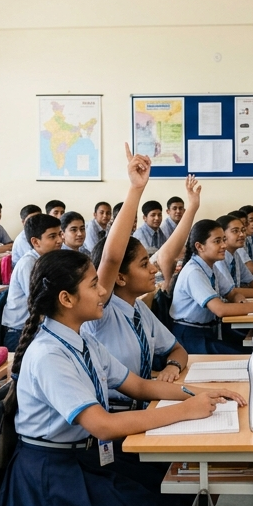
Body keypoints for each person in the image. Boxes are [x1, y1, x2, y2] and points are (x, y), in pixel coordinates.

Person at [0, 249, 243, 506]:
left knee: (181, 488)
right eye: (94, 284)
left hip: (87, 461)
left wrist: (203, 391)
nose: (103, 292)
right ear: (66, 299)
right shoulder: (49, 354)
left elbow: (140, 385)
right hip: (52, 484)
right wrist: (187, 410)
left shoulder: (82, 340)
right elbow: (102, 425)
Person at [83, 146, 190, 411]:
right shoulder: (101, 310)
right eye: (145, 264)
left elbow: (178, 350)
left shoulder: (139, 309)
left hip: (145, 402)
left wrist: (172, 367)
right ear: (119, 277)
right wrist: (135, 189)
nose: (153, 270)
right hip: (113, 412)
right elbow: (110, 258)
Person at [170, 220, 253, 355]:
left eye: (223, 240)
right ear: (200, 246)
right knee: (249, 355)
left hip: (209, 331)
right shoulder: (194, 272)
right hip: (190, 337)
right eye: (217, 241)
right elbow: (220, 309)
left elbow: (232, 292)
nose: (223, 245)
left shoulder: (211, 266)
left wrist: (240, 301)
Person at [3, 214, 63, 351]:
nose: (60, 240)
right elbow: (40, 303)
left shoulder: (48, 260)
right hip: (20, 333)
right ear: (35, 242)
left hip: (38, 327)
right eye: (53, 236)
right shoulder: (28, 264)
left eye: (60, 234)